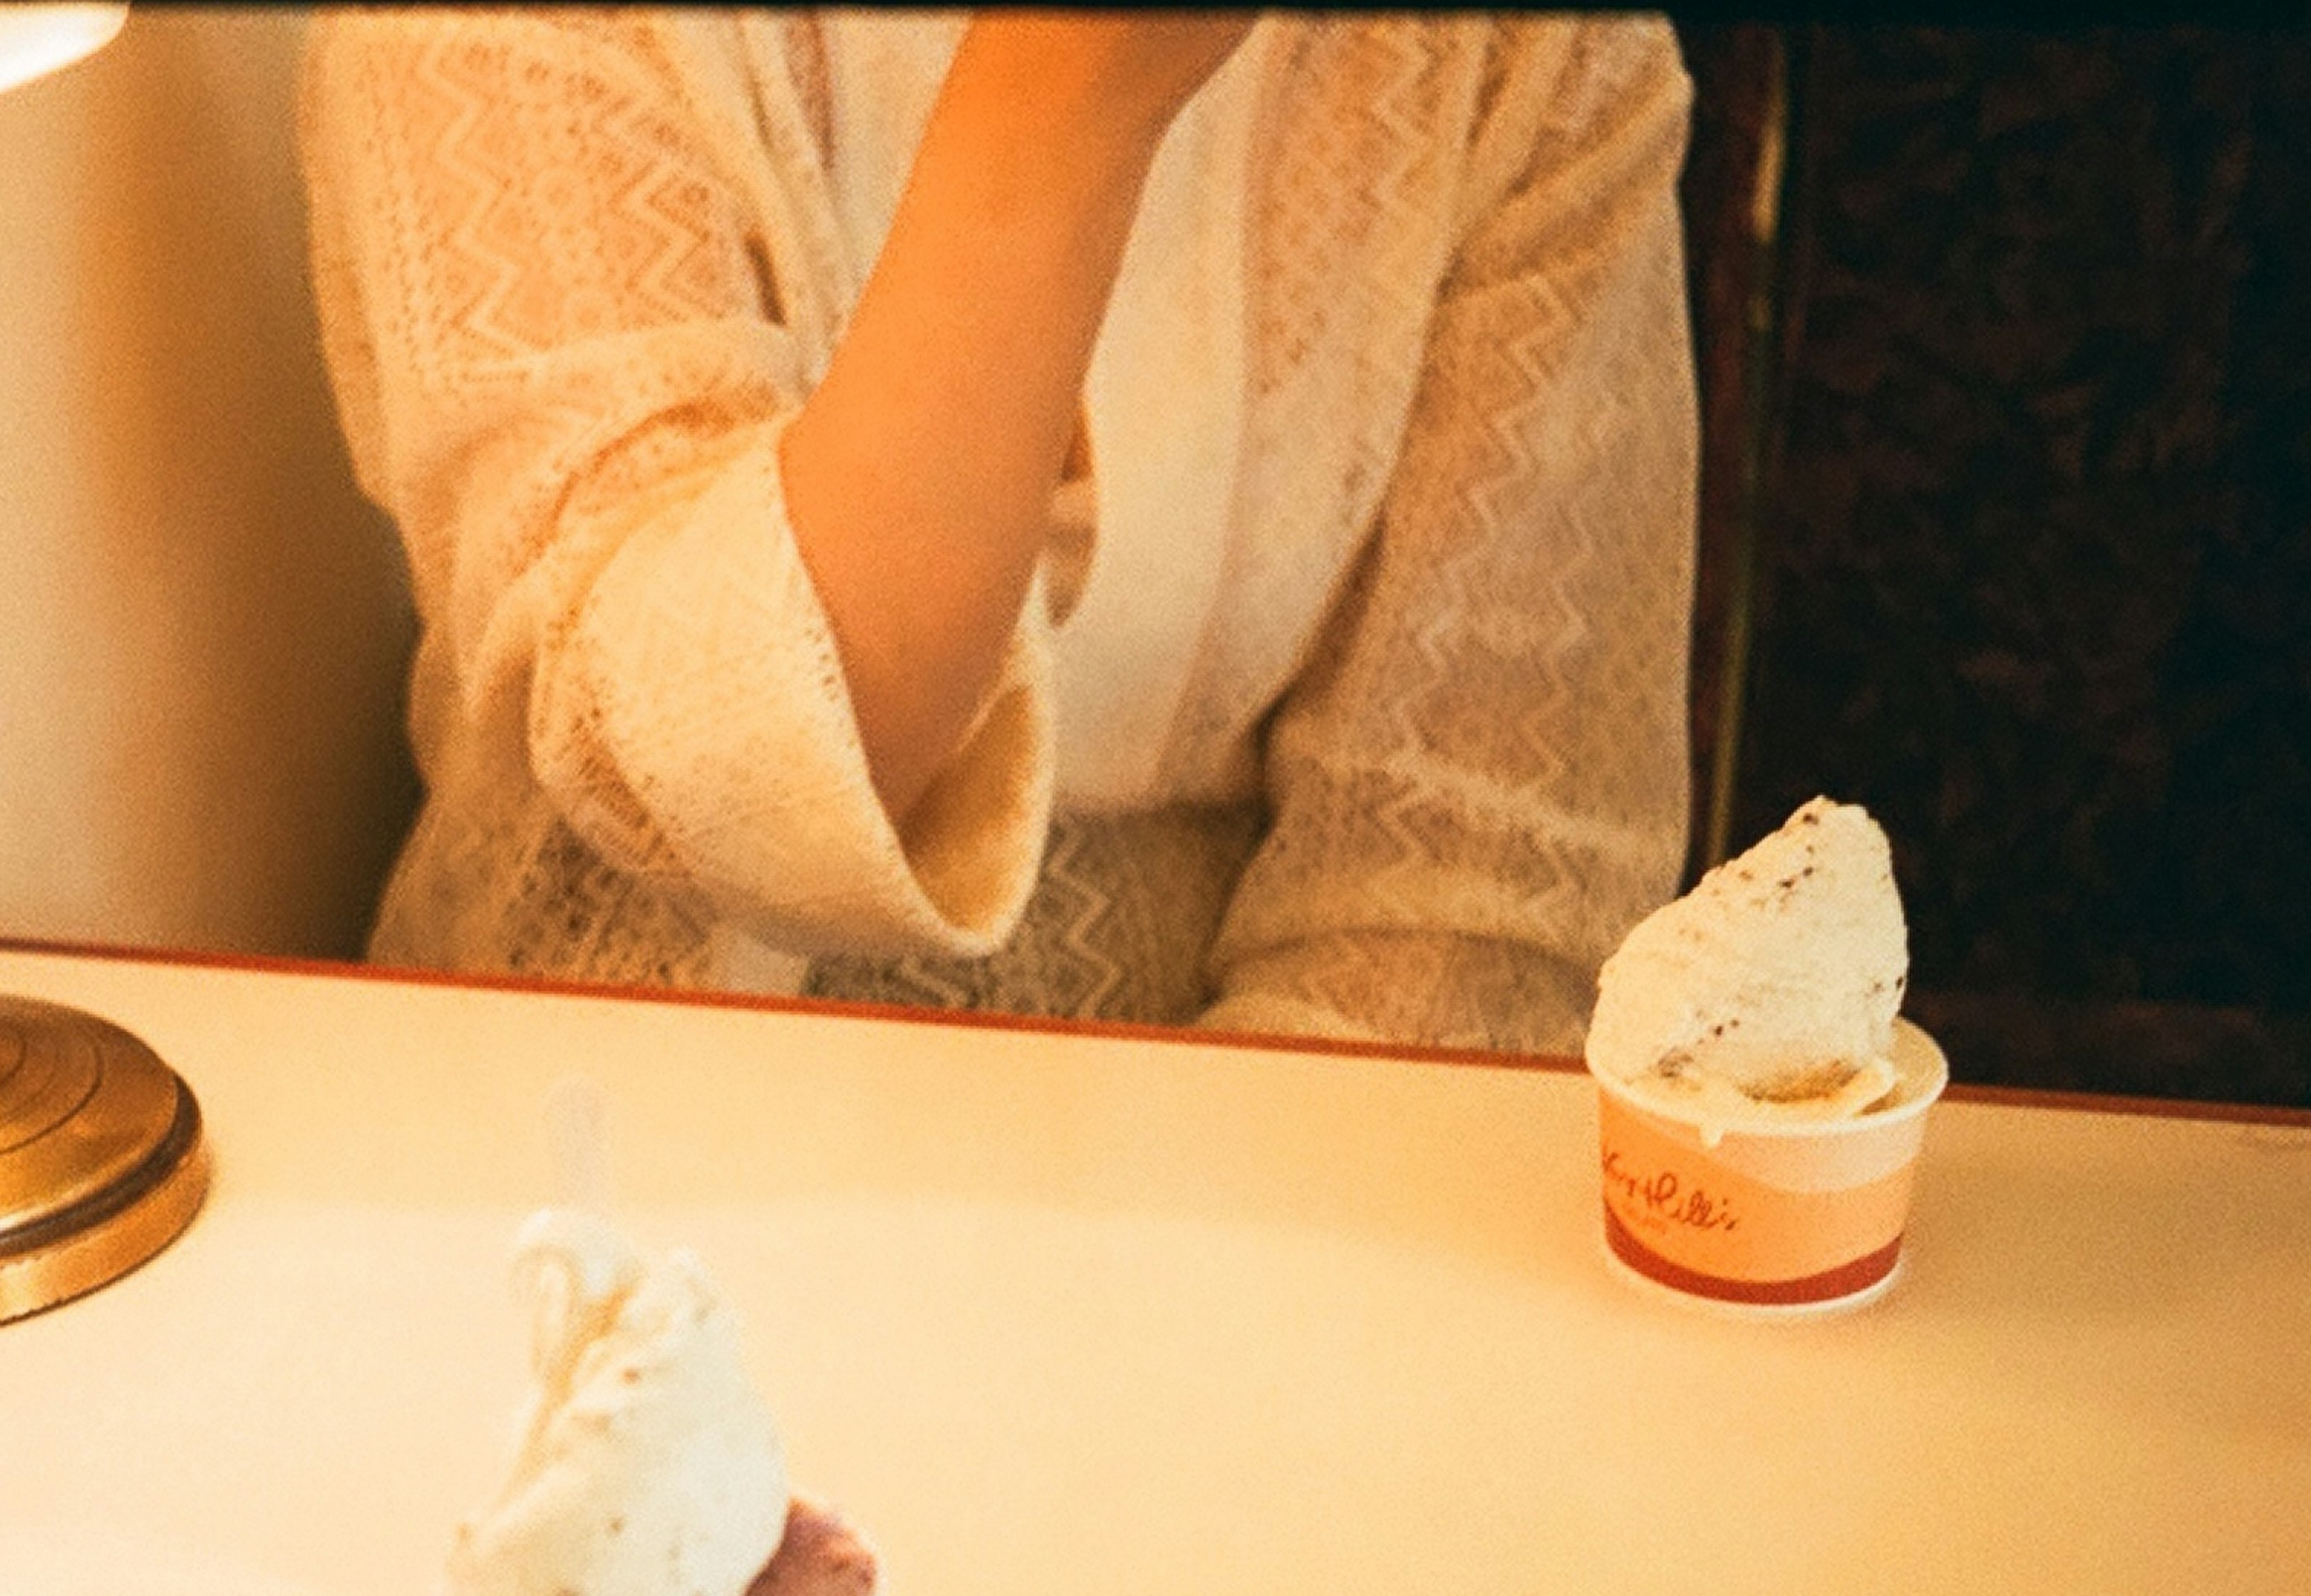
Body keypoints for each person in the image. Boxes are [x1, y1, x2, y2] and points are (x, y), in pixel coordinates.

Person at [299, 9, 1697, 1050]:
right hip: (609, 1127)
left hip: (1229, 1167)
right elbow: (690, 780)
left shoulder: (1528, 58)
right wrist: (1073, 87)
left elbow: (1473, 894)